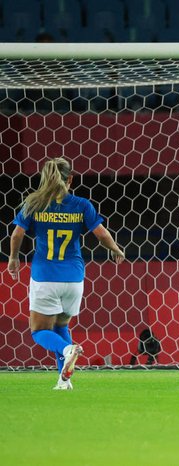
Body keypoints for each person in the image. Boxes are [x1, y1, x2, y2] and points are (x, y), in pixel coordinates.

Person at [7, 157, 125, 390]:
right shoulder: (81, 205)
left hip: (45, 276)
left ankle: (67, 350)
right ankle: (64, 381)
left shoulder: (33, 203)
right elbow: (101, 234)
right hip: (73, 279)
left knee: (40, 331)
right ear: (70, 179)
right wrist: (116, 249)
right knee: (61, 326)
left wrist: (13, 257)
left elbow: (17, 235)